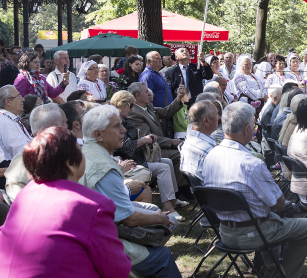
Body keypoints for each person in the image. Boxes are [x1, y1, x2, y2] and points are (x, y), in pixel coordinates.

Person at [203, 102, 307, 278]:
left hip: (225, 231)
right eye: (255, 125)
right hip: (252, 233)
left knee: (269, 217)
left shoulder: (210, 156)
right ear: (248, 128)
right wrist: (280, 205)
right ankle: (283, 274)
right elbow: (279, 204)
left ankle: (272, 268)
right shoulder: (252, 164)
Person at [0, 126, 132, 278]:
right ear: (70, 164)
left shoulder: (25, 194)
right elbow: (117, 270)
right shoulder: (92, 204)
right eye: (81, 151)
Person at [79, 105, 181, 278]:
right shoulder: (104, 168)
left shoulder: (84, 153)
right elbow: (128, 219)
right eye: (116, 126)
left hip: (94, 230)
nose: (123, 130)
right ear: (98, 134)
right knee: (162, 256)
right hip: (102, 238)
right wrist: (158, 218)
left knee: (163, 220)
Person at [110, 90, 186, 220]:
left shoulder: (123, 119)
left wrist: (145, 139)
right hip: (128, 163)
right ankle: (168, 206)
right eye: (130, 106)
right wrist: (143, 140)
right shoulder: (115, 121)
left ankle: (172, 199)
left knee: (166, 162)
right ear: (121, 104)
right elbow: (125, 147)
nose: (132, 109)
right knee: (163, 167)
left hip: (137, 158)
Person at [126, 82, 191, 200]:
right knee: (180, 155)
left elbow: (165, 112)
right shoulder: (134, 113)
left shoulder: (147, 107)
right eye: (146, 91)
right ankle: (181, 191)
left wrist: (179, 98)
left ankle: (180, 190)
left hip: (159, 146)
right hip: (149, 152)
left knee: (182, 153)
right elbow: (148, 137)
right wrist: (171, 141)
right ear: (138, 95)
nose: (149, 94)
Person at [179, 100, 219, 183]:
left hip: (203, 193)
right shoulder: (209, 151)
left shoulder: (188, 142)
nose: (219, 117)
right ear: (206, 121)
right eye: (216, 114)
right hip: (215, 193)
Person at [0, 86, 31, 176]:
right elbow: (21, 151)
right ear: (7, 101)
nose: (23, 99)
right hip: (14, 171)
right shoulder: (4, 121)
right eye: (18, 96)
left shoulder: (10, 118)